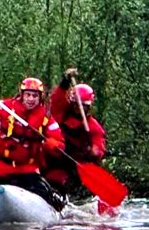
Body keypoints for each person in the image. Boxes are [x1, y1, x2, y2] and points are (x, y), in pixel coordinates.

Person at [0, 76, 66, 210]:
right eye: (28, 95)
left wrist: (53, 144)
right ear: (22, 95)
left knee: (44, 193)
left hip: (27, 168)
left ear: (40, 97)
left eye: (35, 96)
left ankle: (54, 207)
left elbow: (60, 143)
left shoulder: (46, 117)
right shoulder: (6, 107)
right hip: (1, 166)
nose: (31, 99)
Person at [43, 67, 108, 197]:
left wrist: (95, 151)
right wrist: (65, 82)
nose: (79, 108)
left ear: (88, 106)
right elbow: (57, 99)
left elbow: (99, 144)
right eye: (76, 104)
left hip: (72, 167)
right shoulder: (62, 113)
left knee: (58, 180)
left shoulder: (93, 126)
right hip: (52, 159)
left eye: (82, 106)